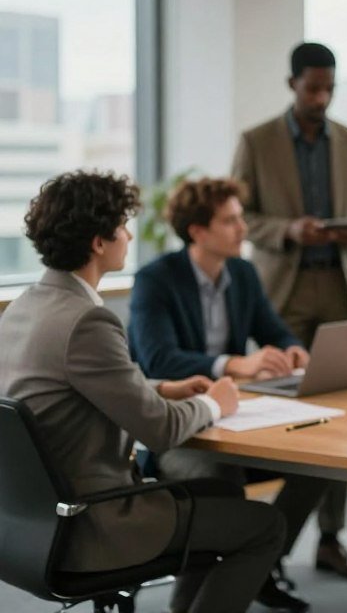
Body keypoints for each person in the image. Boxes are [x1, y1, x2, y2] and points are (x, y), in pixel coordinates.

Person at [0, 170, 285, 613]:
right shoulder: (88, 322)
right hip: (95, 525)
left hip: (30, 526)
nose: (130, 235)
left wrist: (163, 387)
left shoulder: (23, 308)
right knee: (265, 526)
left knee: (224, 494)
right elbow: (160, 431)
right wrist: (214, 402)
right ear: (99, 242)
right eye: (122, 225)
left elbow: (73, 386)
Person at [128, 177, 347, 611]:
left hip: (235, 416)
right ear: (197, 231)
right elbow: (157, 360)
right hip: (180, 428)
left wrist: (293, 349)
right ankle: (197, 596)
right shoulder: (155, 280)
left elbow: (273, 328)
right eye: (229, 221)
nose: (242, 229)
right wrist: (232, 364)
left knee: (320, 462)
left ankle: (260, 564)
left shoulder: (243, 273)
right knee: (219, 475)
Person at [231, 41, 347, 581]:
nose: (322, 97)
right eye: (314, 87)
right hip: (284, 294)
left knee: (340, 415)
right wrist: (288, 231)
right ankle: (267, 541)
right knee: (285, 415)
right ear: (292, 83)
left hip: (338, 288)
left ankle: (331, 540)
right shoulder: (258, 142)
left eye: (330, 88)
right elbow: (240, 216)